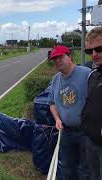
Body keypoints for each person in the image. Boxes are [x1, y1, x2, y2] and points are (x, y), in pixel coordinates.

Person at [48, 45, 91, 180]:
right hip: (65, 132)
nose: (57, 61)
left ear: (70, 56)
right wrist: (57, 119)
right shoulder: (56, 79)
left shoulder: (87, 74)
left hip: (86, 132)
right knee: (67, 168)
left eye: (60, 57)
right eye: (54, 59)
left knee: (85, 169)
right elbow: (52, 103)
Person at [81, 27, 102, 180]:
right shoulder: (92, 75)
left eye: (99, 48)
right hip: (90, 140)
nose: (94, 54)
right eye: (90, 51)